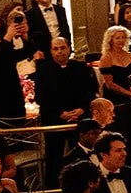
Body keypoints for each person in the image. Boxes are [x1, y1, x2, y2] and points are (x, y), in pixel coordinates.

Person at [36, 36, 98, 183]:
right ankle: (52, 189)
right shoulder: (43, 71)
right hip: (54, 119)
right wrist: (60, 113)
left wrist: (82, 109)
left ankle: (82, 184)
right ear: (51, 51)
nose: (59, 52)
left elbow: (90, 91)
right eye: (55, 49)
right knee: (53, 156)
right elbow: (41, 97)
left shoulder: (81, 67)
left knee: (80, 154)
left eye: (62, 48)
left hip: (79, 118)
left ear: (69, 49)